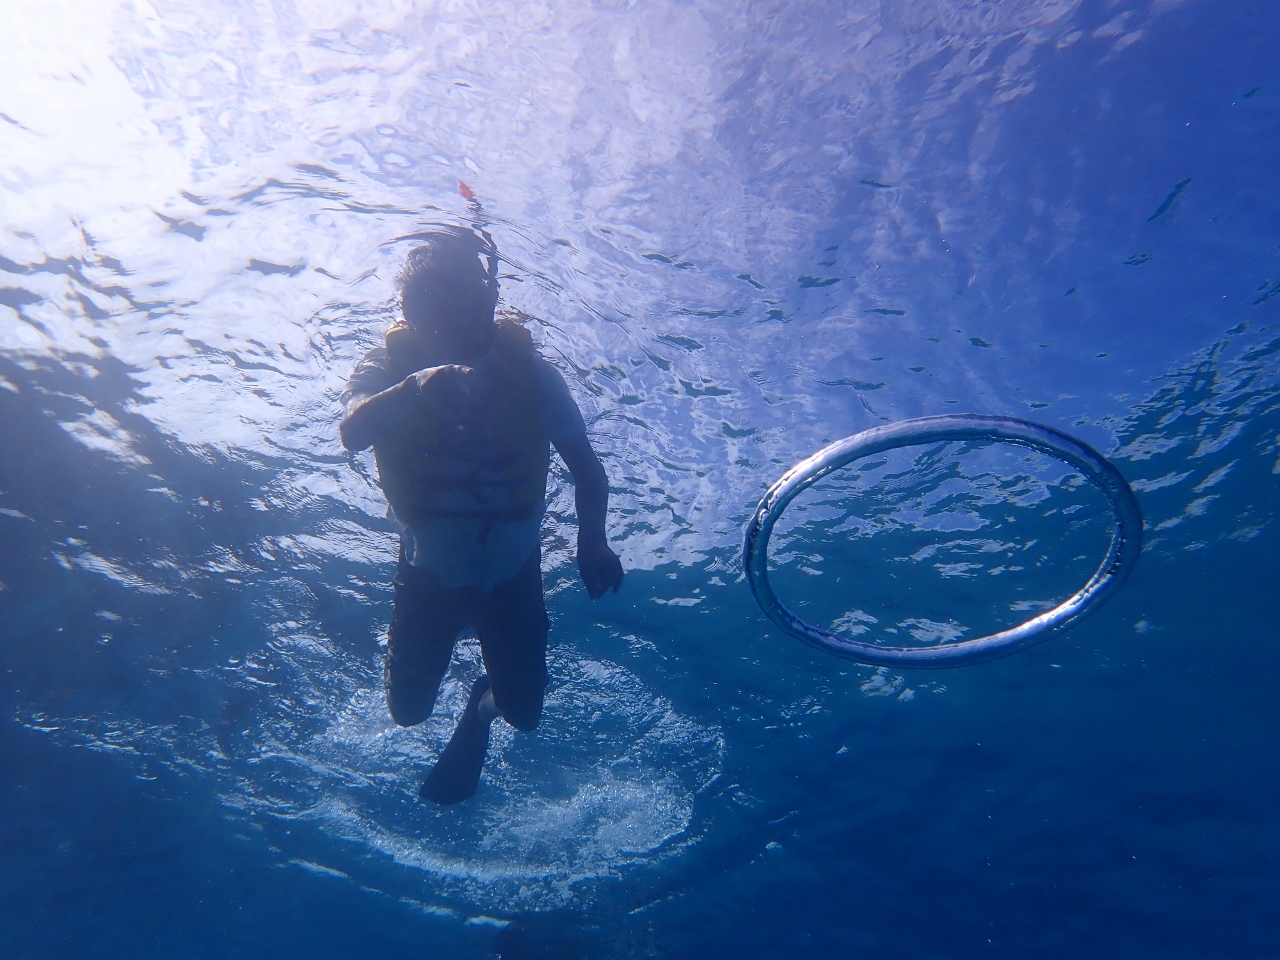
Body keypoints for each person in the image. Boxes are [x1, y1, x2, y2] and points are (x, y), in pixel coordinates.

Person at [339, 226, 624, 804]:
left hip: (513, 576)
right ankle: (469, 699)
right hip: (427, 576)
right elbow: (351, 432)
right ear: (411, 315)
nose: (451, 332)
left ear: (489, 305)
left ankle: (481, 706)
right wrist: (416, 386)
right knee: (409, 712)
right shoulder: (385, 369)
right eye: (433, 319)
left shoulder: (532, 377)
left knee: (522, 713)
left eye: (465, 312)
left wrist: (592, 542)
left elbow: (586, 469)